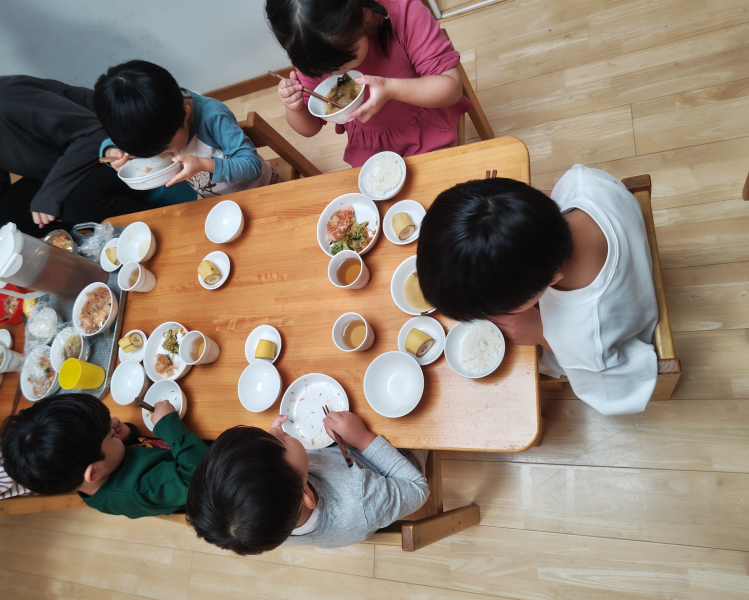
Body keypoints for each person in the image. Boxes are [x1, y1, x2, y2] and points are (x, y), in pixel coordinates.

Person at [416, 165, 659, 416]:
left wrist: (541, 334)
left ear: (552, 279)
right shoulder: (581, 180)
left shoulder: (585, 337)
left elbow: (620, 391)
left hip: (617, 328)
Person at [0, 65, 150, 251]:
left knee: (76, 208)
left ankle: (151, 227)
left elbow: (94, 134)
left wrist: (51, 192)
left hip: (112, 147)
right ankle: (82, 255)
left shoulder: (3, 99)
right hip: (57, 168)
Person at [186, 411, 428, 554]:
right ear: (307, 497)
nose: (275, 433)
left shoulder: (270, 525)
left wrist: (269, 445)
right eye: (278, 441)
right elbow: (418, 487)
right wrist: (363, 439)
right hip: (393, 467)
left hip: (343, 456)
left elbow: (266, 477)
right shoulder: (363, 501)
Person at [267, 0, 472, 168]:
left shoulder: (404, 12)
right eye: (324, 70)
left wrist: (391, 89)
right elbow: (310, 128)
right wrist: (294, 107)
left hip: (426, 130)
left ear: (365, 14)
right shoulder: (313, 54)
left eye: (343, 61)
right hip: (369, 147)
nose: (336, 74)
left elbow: (451, 88)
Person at [0, 393, 207, 518]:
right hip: (208, 473)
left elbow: (119, 456)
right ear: (94, 472)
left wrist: (124, 437)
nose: (114, 422)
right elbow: (201, 475)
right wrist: (169, 426)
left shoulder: (89, 472)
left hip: (178, 455)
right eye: (110, 435)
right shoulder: (136, 490)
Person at [94, 60, 275, 199]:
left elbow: (252, 165)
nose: (160, 157)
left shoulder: (212, 117)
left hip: (262, 189)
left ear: (185, 114)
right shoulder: (151, 125)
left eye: (166, 149)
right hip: (217, 200)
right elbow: (112, 143)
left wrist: (203, 165)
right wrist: (112, 152)